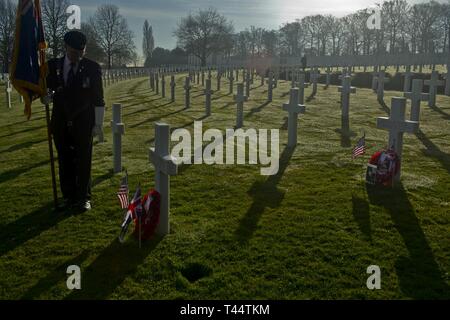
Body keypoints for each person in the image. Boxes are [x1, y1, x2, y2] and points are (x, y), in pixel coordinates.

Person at [45, 30, 105, 212]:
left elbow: (98, 98)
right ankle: (68, 195)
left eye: (81, 52)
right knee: (64, 159)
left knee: (83, 160)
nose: (77, 56)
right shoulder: (52, 65)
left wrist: (98, 124)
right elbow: (46, 90)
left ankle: (83, 197)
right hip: (60, 120)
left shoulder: (92, 68)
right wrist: (44, 97)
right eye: (73, 52)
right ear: (66, 48)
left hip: (83, 120)